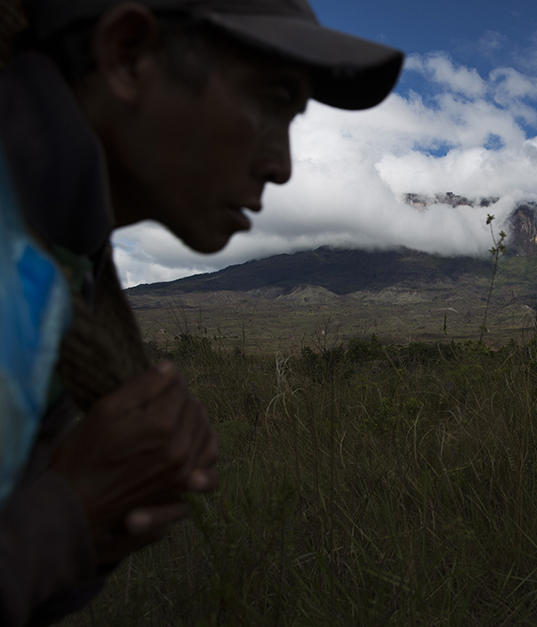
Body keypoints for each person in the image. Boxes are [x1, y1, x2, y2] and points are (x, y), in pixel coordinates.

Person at [0, 1, 403, 624]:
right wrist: (66, 515)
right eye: (271, 100)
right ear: (128, 55)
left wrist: (105, 516)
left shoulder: (67, 269)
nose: (283, 165)